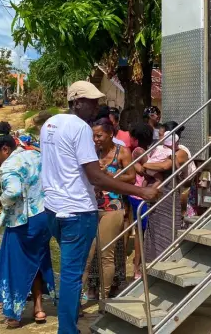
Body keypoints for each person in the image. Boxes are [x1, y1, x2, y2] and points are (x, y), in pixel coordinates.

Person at [40, 81, 158, 334]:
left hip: (53, 208)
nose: (96, 107)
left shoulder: (49, 124)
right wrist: (141, 191)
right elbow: (96, 177)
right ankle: (67, 330)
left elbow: (67, 166)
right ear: (76, 102)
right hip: (76, 211)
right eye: (91, 102)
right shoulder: (81, 128)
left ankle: (71, 323)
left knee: (72, 270)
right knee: (72, 275)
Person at [0, 122, 55, 328]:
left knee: (15, 265)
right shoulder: (33, 153)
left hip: (23, 222)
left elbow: (13, 191)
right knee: (38, 261)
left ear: (5, 149)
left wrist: (1, 200)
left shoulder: (8, 166)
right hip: (44, 216)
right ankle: (39, 308)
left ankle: (14, 313)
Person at [83, 118, 135, 300]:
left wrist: (109, 176)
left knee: (106, 254)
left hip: (112, 207)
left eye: (99, 136)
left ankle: (104, 299)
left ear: (110, 134)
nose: (96, 139)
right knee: (86, 255)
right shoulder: (91, 151)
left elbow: (131, 177)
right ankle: (77, 298)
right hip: (90, 206)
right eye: (93, 136)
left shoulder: (123, 152)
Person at [141, 122, 197, 261]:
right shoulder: (162, 149)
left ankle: (166, 261)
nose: (159, 138)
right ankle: (151, 262)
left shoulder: (181, 152)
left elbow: (164, 166)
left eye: (161, 135)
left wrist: (146, 165)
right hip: (158, 196)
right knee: (153, 229)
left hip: (169, 196)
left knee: (167, 230)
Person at [127, 122, 155, 280]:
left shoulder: (141, 150)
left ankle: (138, 265)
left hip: (140, 195)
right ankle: (137, 267)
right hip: (139, 196)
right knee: (140, 233)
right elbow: (148, 169)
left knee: (141, 233)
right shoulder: (139, 151)